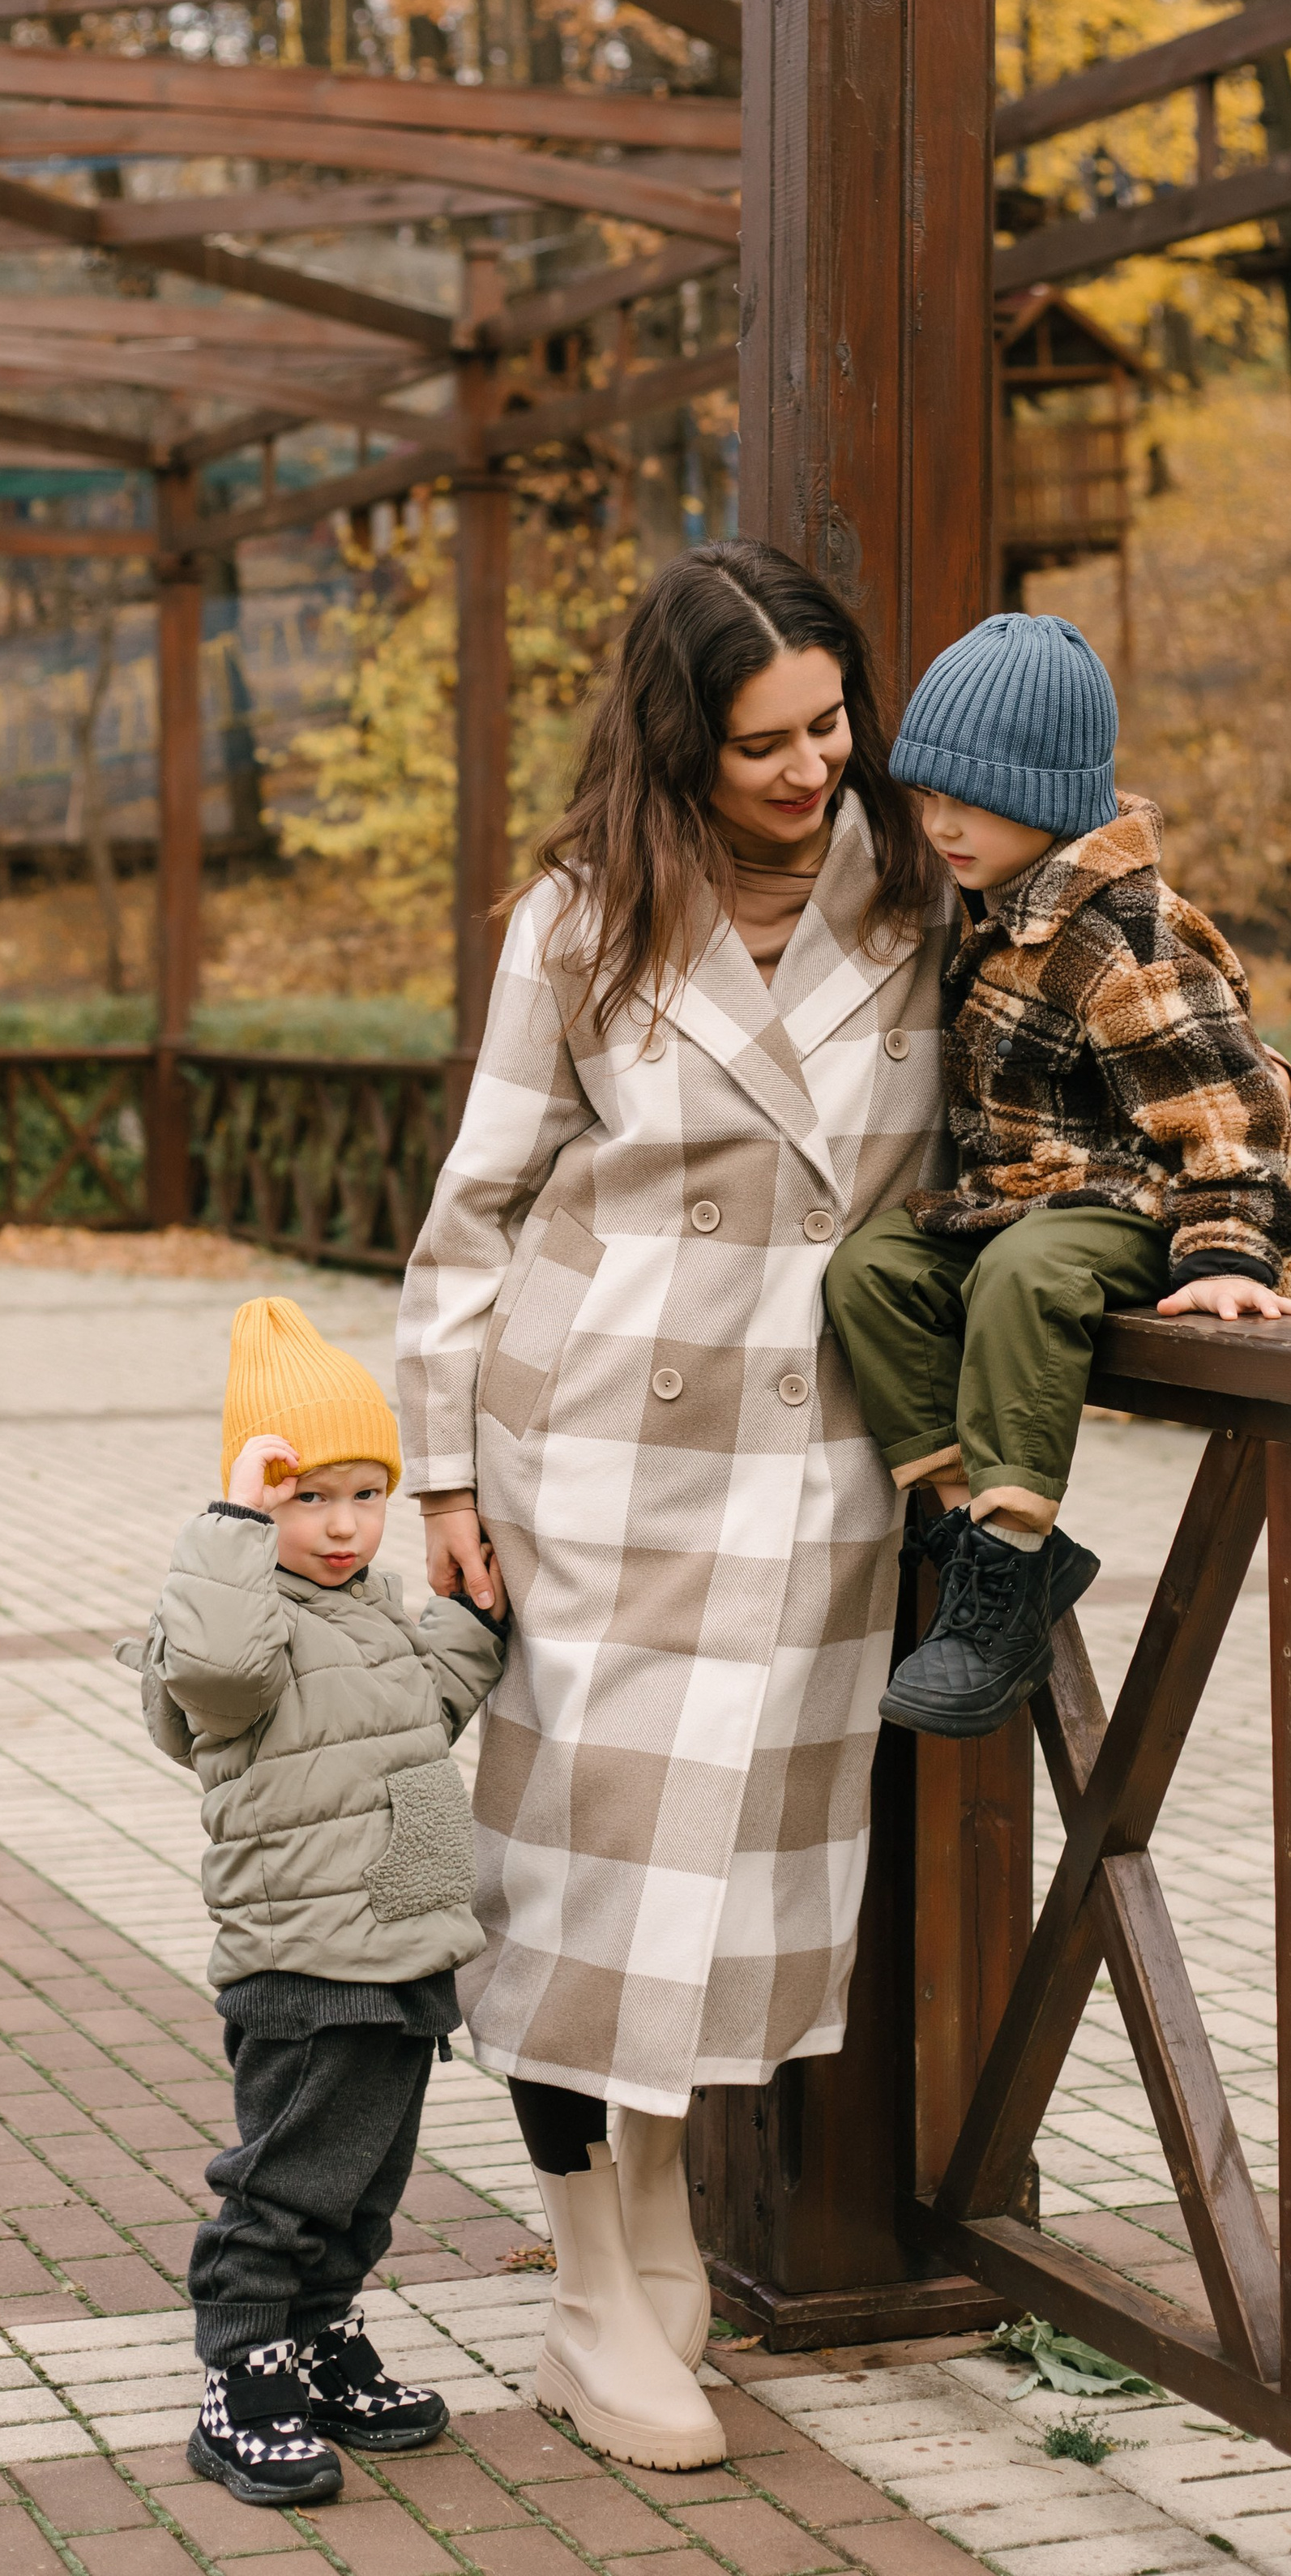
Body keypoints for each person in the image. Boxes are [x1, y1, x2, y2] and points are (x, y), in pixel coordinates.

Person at [396, 540, 956, 2472]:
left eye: (829, 724)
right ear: (674, 743)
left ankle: (650, 2231)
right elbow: (478, 1201)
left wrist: (1201, 1233)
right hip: (601, 1454)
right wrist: (446, 1466)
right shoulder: (578, 916)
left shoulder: (925, 888)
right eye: (761, 745)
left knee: (722, 1889)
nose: (812, 769)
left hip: (811, 1461)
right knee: (578, 1881)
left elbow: (1087, 1073)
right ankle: (583, 2282)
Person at [823, 610, 1291, 1740]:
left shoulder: (1119, 939)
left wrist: (1233, 1251)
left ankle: (1010, 1566)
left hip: (1145, 1201)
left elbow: (1237, 1110)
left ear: (1044, 794)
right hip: (1032, 1198)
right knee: (872, 1271)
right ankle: (970, 1536)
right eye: (925, 797)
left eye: (969, 800)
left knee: (1027, 1277)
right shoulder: (999, 906)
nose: (938, 824)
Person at [124, 1297, 506, 2510]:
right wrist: (232, 1518)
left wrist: (480, 1621)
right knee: (288, 2182)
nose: (342, 1528)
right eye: (305, 1498)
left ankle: (324, 2334)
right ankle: (242, 2376)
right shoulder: (228, 1621)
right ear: (254, 1506)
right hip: (306, 1955)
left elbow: (418, 1715)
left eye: (364, 1495)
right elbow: (224, 1675)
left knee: (364, 2182)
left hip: (401, 1942)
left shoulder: (365, 1610)